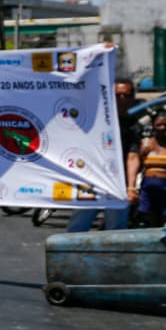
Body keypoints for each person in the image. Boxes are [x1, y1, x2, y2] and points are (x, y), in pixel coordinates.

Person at [65, 77, 141, 234]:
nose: (122, 99)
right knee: (77, 227)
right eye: (117, 94)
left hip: (117, 185)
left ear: (132, 98)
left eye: (126, 95)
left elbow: (132, 157)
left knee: (116, 231)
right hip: (91, 182)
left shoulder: (134, 126)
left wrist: (131, 187)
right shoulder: (94, 121)